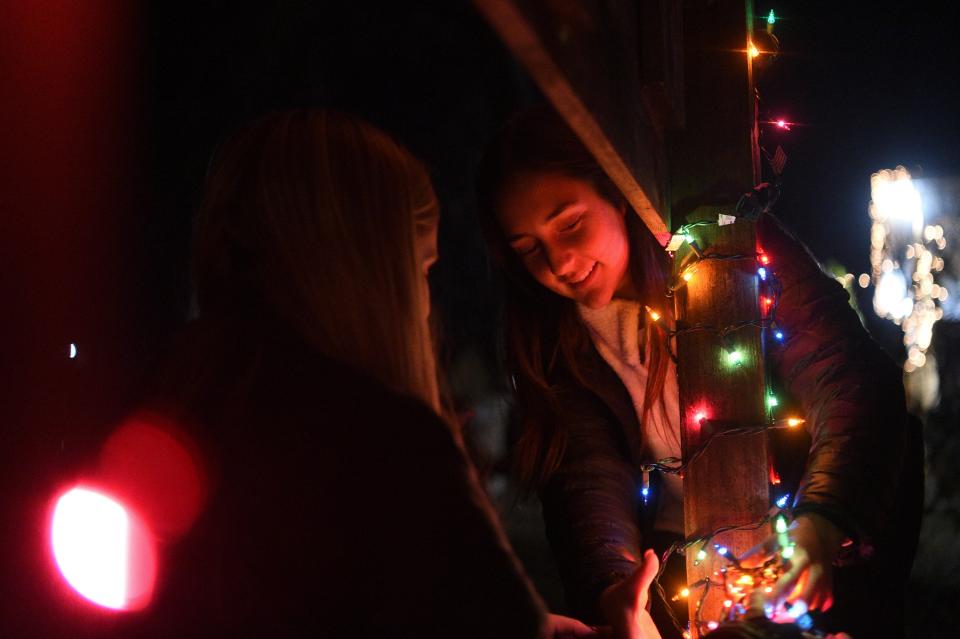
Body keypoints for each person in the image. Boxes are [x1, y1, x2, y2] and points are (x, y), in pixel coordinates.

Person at [63, 109, 600, 638]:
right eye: (420, 269)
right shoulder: (386, 447)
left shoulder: (167, 399)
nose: (425, 307)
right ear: (370, 270)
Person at [476, 106, 923, 639]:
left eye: (570, 223)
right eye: (528, 249)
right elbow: (585, 479)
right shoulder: (559, 343)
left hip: (814, 556)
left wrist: (823, 523)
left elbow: (850, 381)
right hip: (685, 584)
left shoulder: (732, 249)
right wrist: (614, 588)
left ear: (617, 190)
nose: (560, 263)